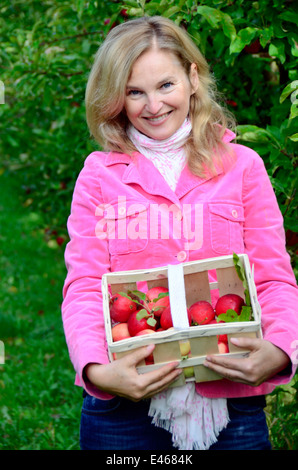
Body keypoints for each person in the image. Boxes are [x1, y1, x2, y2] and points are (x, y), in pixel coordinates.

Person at [61, 16, 298, 451]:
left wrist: (281, 349)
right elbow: (84, 286)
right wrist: (97, 370)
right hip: (126, 403)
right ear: (116, 96)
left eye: (165, 85)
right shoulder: (99, 176)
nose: (153, 106)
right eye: (135, 92)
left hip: (232, 400)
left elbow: (273, 277)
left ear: (192, 77)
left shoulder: (242, 167)